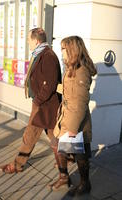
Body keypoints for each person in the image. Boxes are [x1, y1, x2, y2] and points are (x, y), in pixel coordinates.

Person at [0, 27, 61, 173]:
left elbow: (50, 83)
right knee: (53, 135)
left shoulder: (48, 56)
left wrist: (37, 101)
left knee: (30, 134)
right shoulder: (41, 54)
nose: (27, 42)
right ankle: (66, 160)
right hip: (44, 104)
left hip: (44, 105)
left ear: (36, 40)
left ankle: (17, 164)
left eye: (29, 40)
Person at [49, 36, 97, 195]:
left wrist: (72, 129)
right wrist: (55, 87)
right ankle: (65, 177)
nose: (61, 51)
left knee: (79, 154)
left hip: (75, 121)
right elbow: (72, 91)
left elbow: (80, 103)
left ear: (72, 50)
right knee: (61, 147)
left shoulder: (81, 71)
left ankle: (85, 184)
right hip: (67, 116)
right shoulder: (72, 68)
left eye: (63, 48)